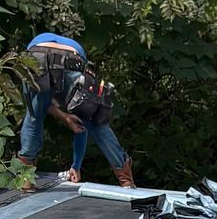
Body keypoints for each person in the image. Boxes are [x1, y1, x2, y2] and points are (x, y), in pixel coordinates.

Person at [17, 31, 137, 187]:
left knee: (34, 115)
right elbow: (82, 122)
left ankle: (26, 177)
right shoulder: (69, 93)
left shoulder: (49, 94)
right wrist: (76, 165)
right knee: (94, 118)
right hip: (72, 57)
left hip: (37, 53)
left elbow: (42, 105)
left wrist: (66, 119)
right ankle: (126, 180)